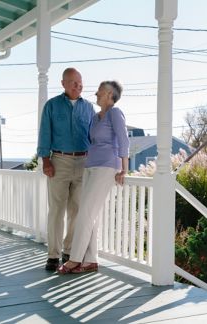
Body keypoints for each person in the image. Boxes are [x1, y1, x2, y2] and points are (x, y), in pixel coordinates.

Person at [58, 80, 129, 274]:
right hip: (90, 166)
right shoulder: (97, 117)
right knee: (90, 214)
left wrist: (124, 169)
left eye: (100, 91)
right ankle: (90, 260)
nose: (96, 93)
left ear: (109, 94)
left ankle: (75, 259)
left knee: (85, 213)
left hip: (106, 167)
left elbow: (123, 139)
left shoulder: (115, 113)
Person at [37, 67, 95, 271]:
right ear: (63, 83)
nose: (78, 86)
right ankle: (53, 254)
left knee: (77, 211)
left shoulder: (88, 108)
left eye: (80, 83)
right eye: (73, 83)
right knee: (56, 210)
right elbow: (45, 133)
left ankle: (69, 251)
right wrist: (45, 160)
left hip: (83, 162)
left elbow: (93, 137)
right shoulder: (51, 106)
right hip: (58, 161)